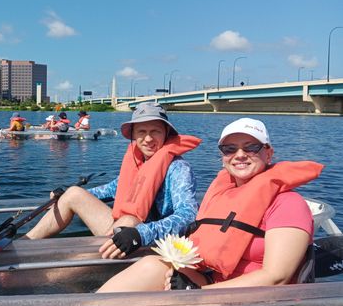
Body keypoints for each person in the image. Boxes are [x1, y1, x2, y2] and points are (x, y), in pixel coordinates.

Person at [97, 118, 323, 293]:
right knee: (152, 265)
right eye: (230, 149)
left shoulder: (288, 204)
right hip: (210, 284)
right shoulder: (221, 196)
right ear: (223, 156)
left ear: (269, 153)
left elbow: (277, 277)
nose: (240, 155)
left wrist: (199, 293)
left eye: (251, 147)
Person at [25, 102, 200, 259]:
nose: (148, 139)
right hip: (123, 233)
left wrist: (142, 233)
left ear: (166, 134)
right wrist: (64, 195)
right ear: (133, 135)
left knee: (129, 220)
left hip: (152, 243)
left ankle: (48, 276)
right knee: (73, 193)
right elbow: (112, 189)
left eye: (155, 131)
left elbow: (188, 214)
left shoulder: (178, 169)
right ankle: (21, 244)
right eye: (142, 132)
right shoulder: (139, 161)